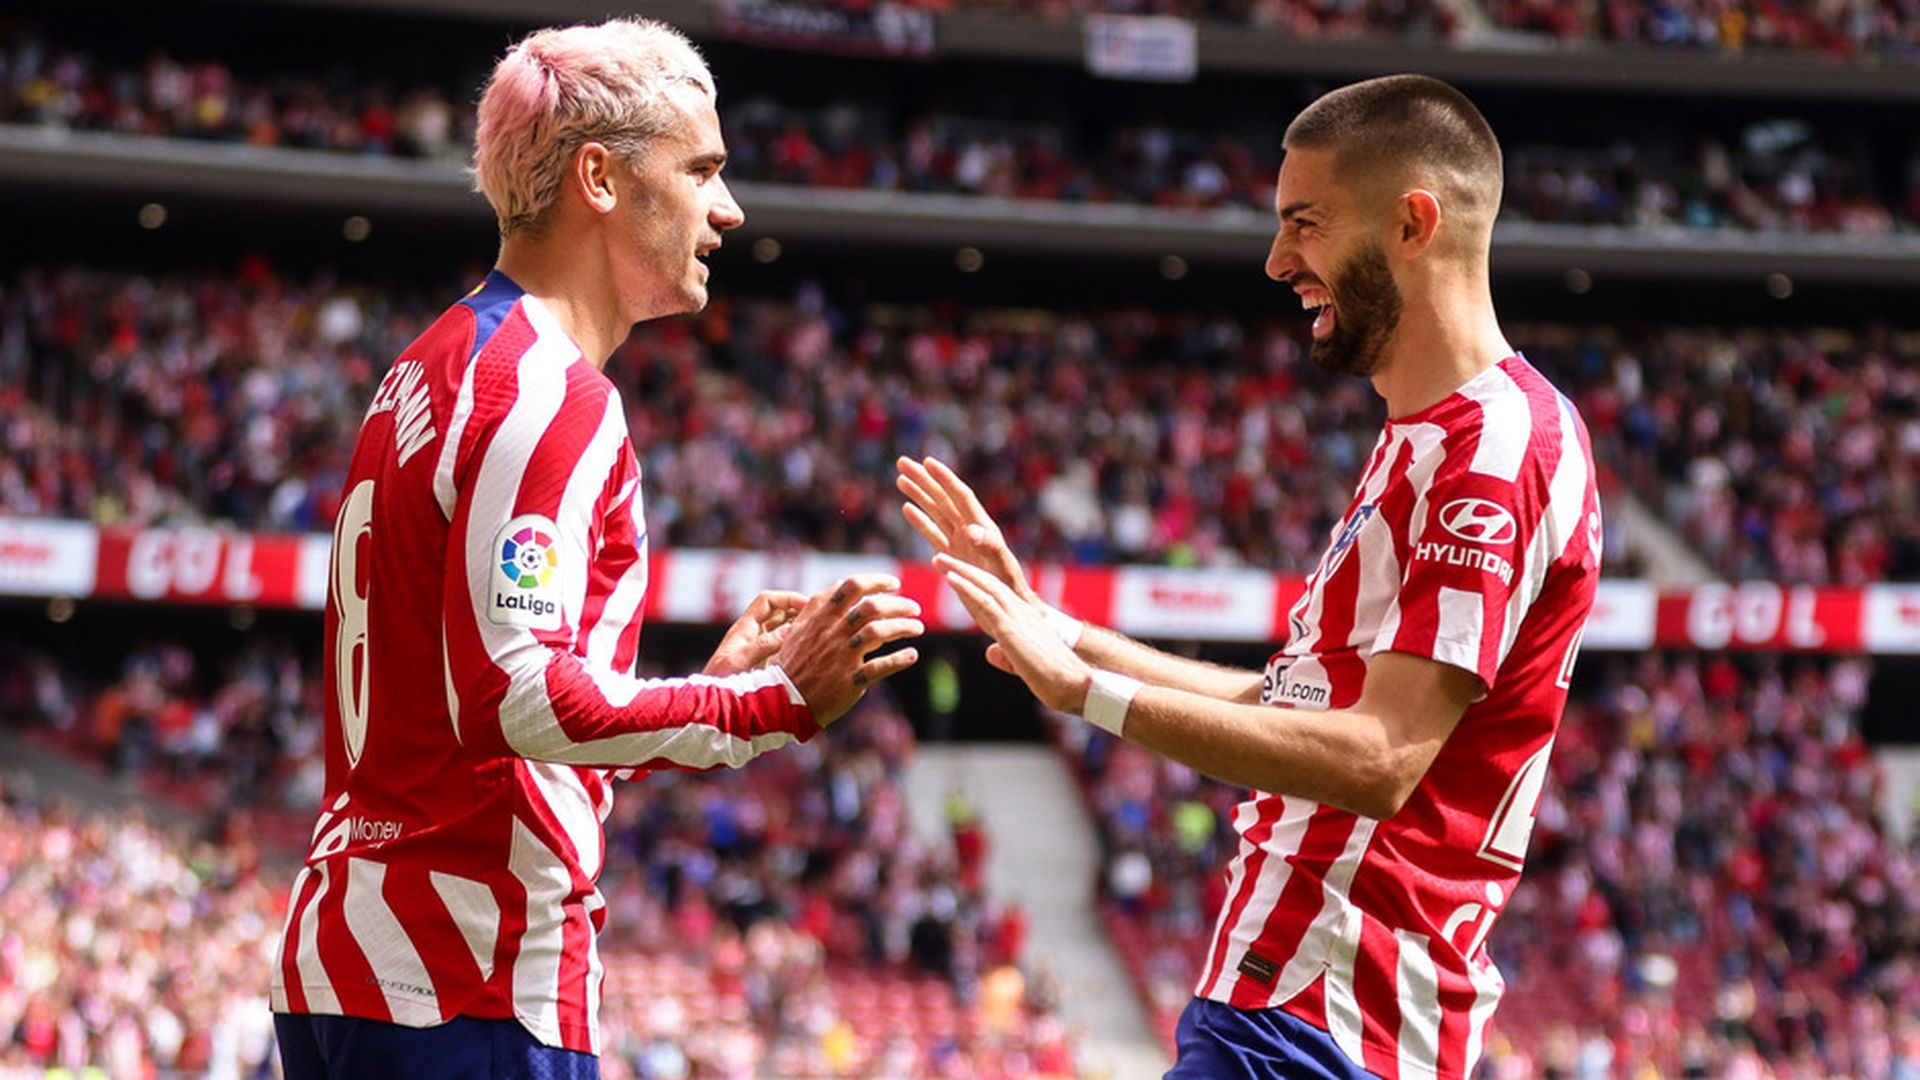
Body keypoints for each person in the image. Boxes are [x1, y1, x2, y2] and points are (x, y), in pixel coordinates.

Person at [899, 73, 1600, 1080]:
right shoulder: (1428, 440)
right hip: (1285, 1006)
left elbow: (1379, 757)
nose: (1278, 261)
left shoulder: (1492, 452)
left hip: (1327, 1015)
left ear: (1413, 224)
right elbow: (1295, 706)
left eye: (1305, 224)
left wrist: (1088, 692)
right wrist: (1064, 634)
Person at [270, 19, 923, 1079]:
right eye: (701, 169)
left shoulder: (434, 363)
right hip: (466, 978)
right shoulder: (548, 390)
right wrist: (768, 705)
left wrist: (700, 686)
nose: (728, 208)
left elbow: (476, 716)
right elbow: (514, 695)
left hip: (360, 955)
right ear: (600, 179)